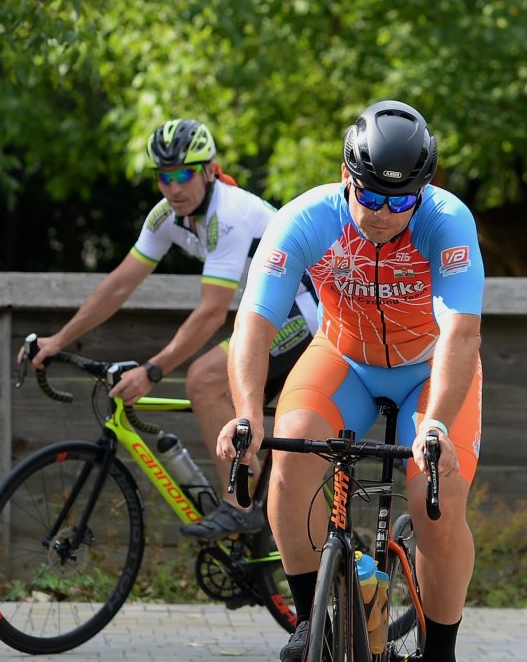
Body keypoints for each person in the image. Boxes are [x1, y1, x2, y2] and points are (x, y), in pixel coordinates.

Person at [220, 100, 483, 662]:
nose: (385, 213)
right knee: (290, 458)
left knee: (436, 497)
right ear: (346, 176)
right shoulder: (305, 219)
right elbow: (253, 322)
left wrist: (437, 425)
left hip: (430, 370)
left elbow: (461, 333)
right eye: (370, 196)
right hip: (344, 359)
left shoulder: (447, 222)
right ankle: (312, 616)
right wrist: (248, 412)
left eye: (403, 201)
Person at [25, 118, 320, 537]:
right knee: (213, 384)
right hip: (272, 310)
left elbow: (212, 313)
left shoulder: (229, 213)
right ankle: (251, 490)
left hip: (305, 310)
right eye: (164, 177)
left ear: (209, 170)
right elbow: (119, 284)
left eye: (183, 175)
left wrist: (152, 371)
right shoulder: (167, 216)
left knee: (203, 380)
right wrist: (58, 340)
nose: (173, 187)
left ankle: (240, 503)